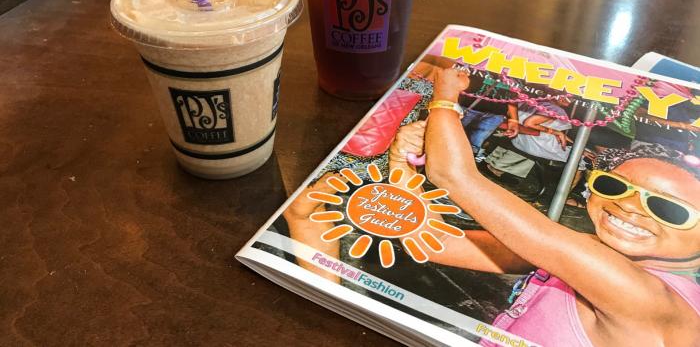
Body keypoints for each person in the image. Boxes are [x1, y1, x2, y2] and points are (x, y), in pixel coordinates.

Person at [284, 68, 700, 346]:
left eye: (669, 208)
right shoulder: (591, 254)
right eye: (614, 187)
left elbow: (455, 177)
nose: (628, 208)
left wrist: (445, 94)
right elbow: (429, 241)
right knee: (308, 208)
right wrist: (401, 161)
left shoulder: (645, 294)